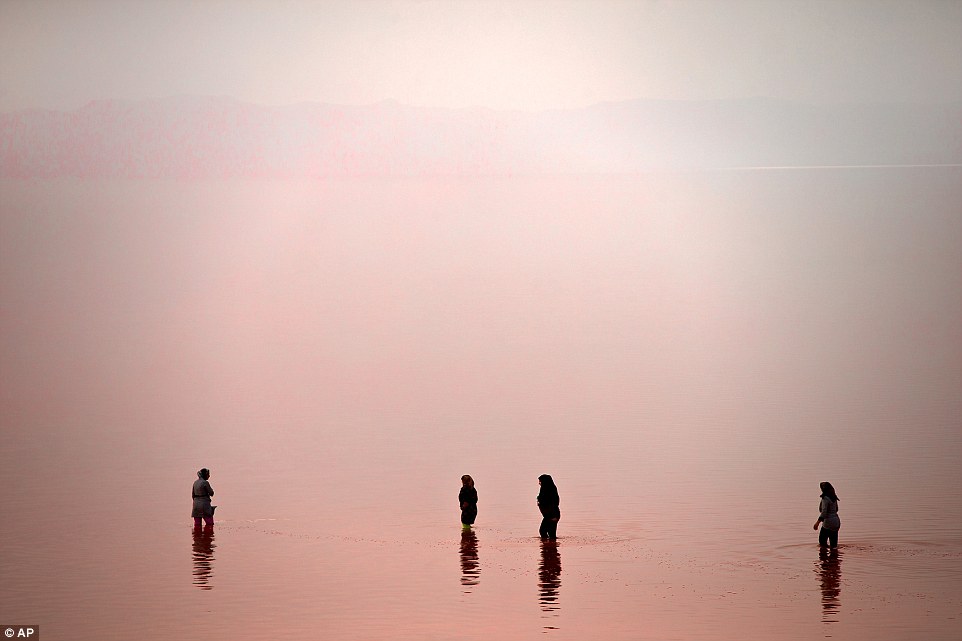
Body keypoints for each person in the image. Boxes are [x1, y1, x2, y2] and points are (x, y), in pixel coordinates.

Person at [813, 481, 840, 548]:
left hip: (828, 522)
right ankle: (834, 557)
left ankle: (823, 558)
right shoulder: (834, 497)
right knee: (834, 545)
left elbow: (824, 512)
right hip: (836, 521)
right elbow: (836, 509)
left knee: (822, 542)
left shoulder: (825, 498)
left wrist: (817, 523)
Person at [537, 474, 561, 539]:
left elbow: (554, 503)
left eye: (540, 481)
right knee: (550, 533)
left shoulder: (549, 490)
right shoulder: (548, 489)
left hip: (551, 514)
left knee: (543, 531)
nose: (539, 483)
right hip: (551, 514)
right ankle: (550, 547)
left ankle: (548, 547)